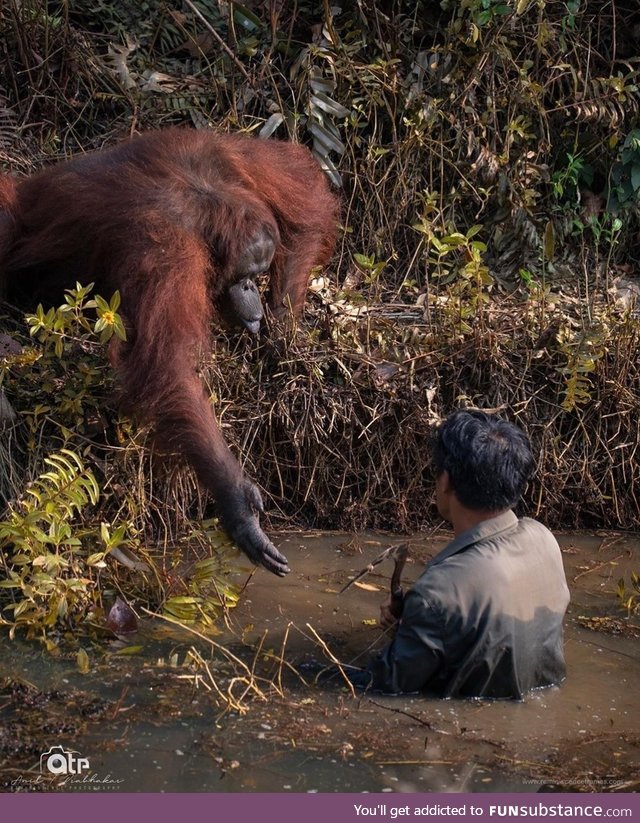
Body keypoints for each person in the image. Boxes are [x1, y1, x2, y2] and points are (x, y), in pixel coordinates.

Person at [350, 409, 570, 699]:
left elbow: (384, 687)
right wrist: (410, 627)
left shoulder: (440, 592)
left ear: (445, 481)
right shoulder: (543, 538)